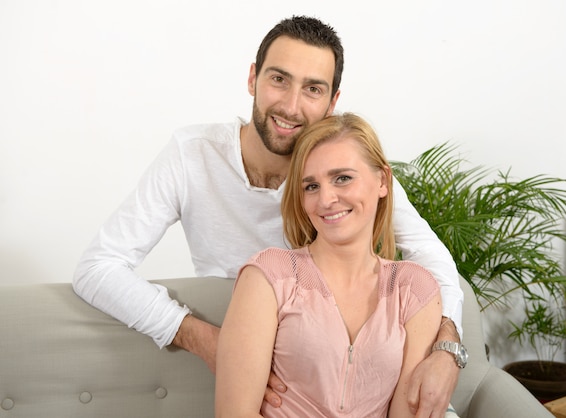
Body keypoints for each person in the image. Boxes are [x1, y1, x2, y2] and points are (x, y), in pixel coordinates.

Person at [73, 15, 465, 417]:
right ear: (252, 79)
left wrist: (447, 349)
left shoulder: (350, 175)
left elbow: (431, 262)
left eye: (312, 89)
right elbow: (98, 267)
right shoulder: (192, 154)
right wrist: (206, 338)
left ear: (332, 103)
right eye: (279, 79)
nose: (291, 106)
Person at [216, 112, 458, 418]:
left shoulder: (414, 289)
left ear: (382, 181)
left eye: (342, 178)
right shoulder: (269, 276)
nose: (326, 199)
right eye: (311, 186)